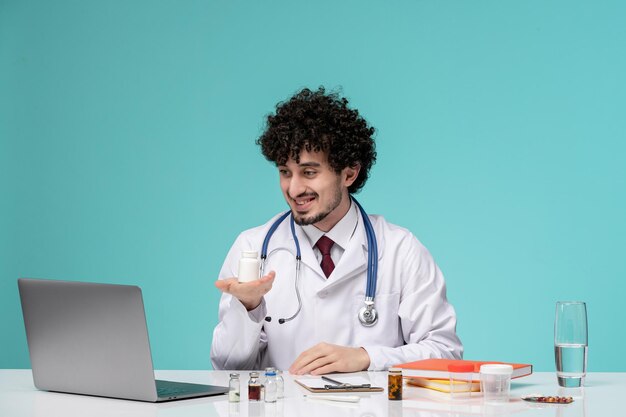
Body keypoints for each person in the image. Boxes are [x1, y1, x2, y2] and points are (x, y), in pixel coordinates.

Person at [210, 87, 462, 375]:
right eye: (285, 172)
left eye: (309, 172)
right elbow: (226, 369)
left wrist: (367, 358)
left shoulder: (400, 249)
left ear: (349, 173)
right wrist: (249, 306)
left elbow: (444, 352)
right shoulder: (253, 247)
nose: (293, 189)